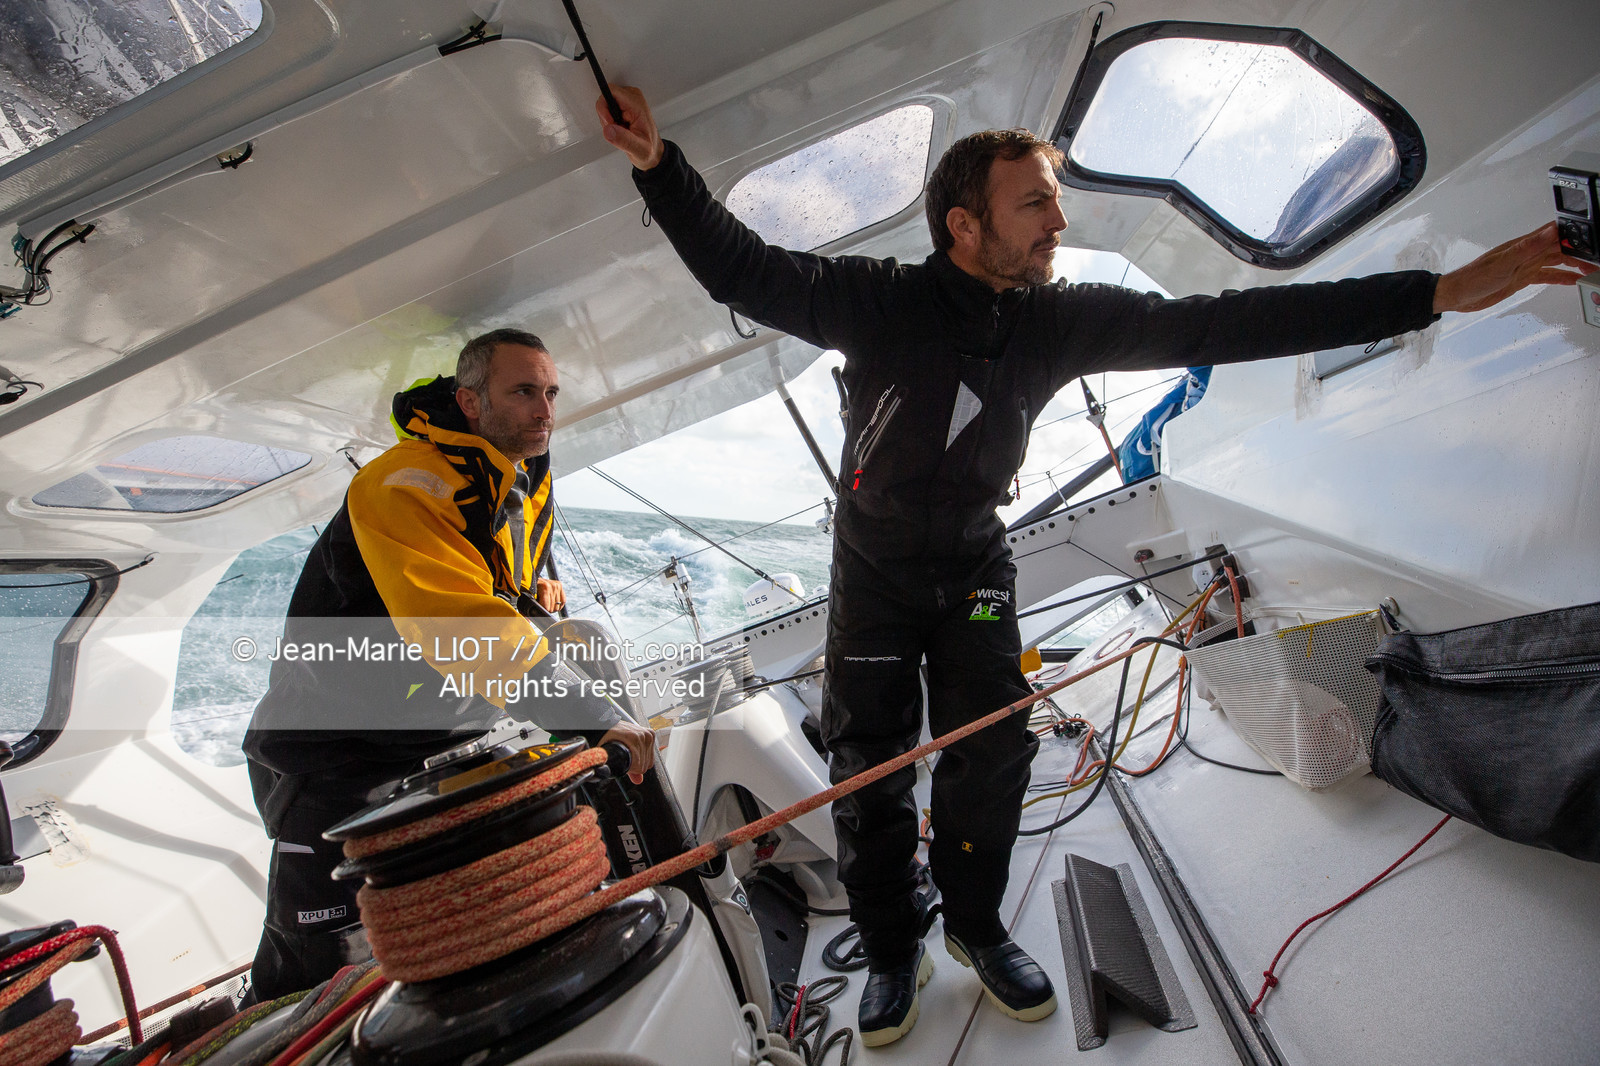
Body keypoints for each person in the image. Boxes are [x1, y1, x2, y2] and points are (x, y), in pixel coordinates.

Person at [595, 86, 1589, 1046]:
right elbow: (745, 272)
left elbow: (1222, 325)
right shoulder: (879, 302)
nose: (1058, 223)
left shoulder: (1058, 320)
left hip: (973, 574)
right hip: (876, 580)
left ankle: (974, 926)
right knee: (869, 768)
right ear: (963, 226)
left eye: (1055, 203)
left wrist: (1434, 294)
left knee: (995, 747)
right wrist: (658, 166)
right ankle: (894, 949)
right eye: (1035, 204)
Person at [242, 328, 655, 999]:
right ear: (469, 402)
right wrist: (590, 714)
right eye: (523, 392)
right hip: (335, 759)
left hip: (439, 744)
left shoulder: (516, 480)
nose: (544, 410)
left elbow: (505, 591)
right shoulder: (401, 484)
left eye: (551, 392)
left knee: (466, 944)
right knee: (319, 979)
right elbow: (463, 628)